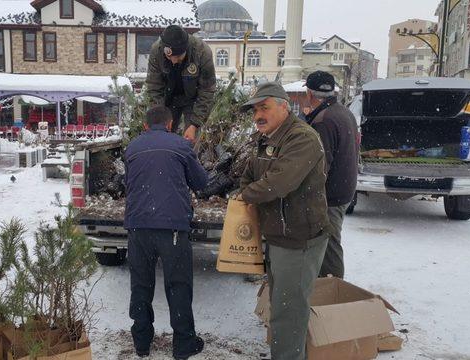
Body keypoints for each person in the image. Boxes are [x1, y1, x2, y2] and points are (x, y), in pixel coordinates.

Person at [238, 82, 330, 360]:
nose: (257, 116)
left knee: (289, 313)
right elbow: (248, 175)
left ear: (283, 105)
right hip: (278, 235)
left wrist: (246, 195)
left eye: (264, 108)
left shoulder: (302, 138)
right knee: (282, 306)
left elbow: (278, 183)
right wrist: (247, 191)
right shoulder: (264, 138)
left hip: (299, 238)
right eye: (254, 110)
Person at [124, 105, 208, 359]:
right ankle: (183, 345)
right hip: (172, 227)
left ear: (146, 125)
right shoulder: (180, 145)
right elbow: (201, 182)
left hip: (138, 226)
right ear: (170, 124)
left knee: (140, 285)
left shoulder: (132, 147)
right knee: (178, 286)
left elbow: (131, 181)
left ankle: (141, 343)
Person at [304, 71, 359, 279]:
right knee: (330, 242)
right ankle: (328, 288)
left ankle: (333, 293)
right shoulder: (343, 112)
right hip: (344, 189)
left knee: (329, 247)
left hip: (331, 195)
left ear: (310, 93)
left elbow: (320, 167)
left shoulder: (323, 121)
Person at [146, 25, 216, 142]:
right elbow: (154, 88)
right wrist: (158, 122)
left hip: (194, 99)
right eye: (169, 56)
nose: (174, 60)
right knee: (162, 139)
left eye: (178, 56)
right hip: (167, 98)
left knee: (190, 141)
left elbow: (207, 90)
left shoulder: (202, 52)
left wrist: (194, 124)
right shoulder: (156, 51)